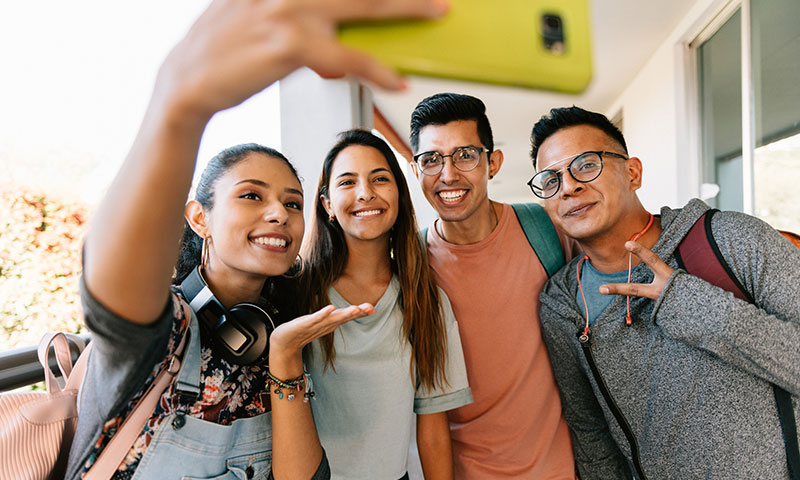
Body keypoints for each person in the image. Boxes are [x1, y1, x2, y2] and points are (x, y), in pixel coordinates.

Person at [66, 0, 449, 478]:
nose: (278, 214)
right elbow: (109, 281)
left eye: (292, 203)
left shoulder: (290, 323)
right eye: (251, 195)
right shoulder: (160, 326)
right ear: (198, 218)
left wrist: (285, 360)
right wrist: (179, 106)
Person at [530, 106, 800, 479]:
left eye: (586, 165)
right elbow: (591, 434)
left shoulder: (731, 240)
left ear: (632, 172)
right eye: (551, 179)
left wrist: (685, 301)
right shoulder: (563, 305)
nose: (569, 187)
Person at [408, 93, 577, 478]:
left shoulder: (544, 228)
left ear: (493, 163)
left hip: (562, 468)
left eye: (465, 155)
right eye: (431, 159)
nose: (448, 174)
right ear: (414, 169)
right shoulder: (410, 263)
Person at [301, 129, 472, 479]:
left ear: (398, 193)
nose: (366, 193)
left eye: (380, 179)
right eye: (347, 182)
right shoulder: (297, 296)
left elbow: (434, 430)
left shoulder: (427, 302)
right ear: (327, 204)